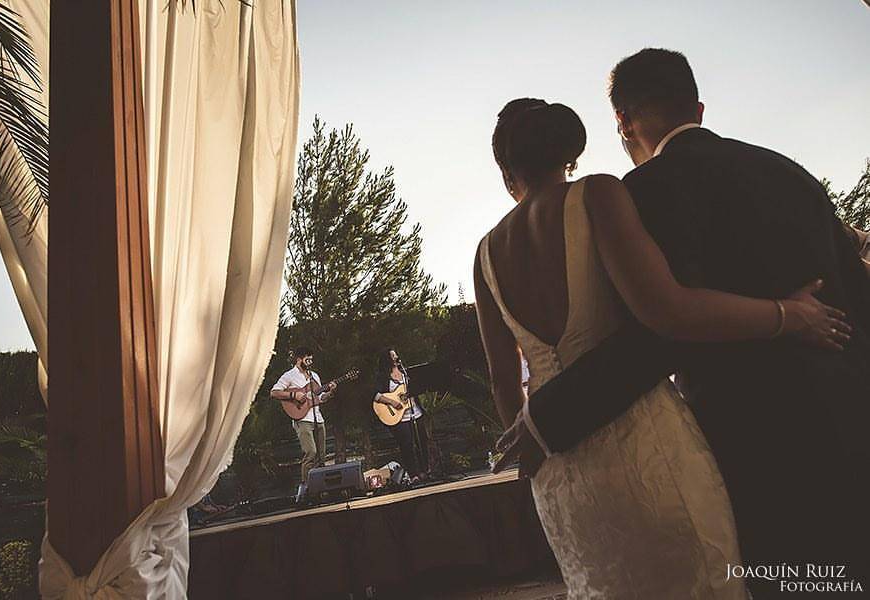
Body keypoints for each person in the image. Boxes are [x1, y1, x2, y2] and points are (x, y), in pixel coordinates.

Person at [496, 49, 870, 597]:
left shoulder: (642, 191)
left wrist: (548, 412)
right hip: (848, 425)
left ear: (622, 120)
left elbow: (660, 327)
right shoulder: (789, 172)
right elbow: (857, 295)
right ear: (697, 106)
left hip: (751, 444)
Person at [270, 347, 337, 483]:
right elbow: (274, 392)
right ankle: (306, 486)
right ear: (299, 359)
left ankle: (320, 485)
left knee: (321, 456)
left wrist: (330, 393)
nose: (310, 361)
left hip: (318, 418)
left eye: (311, 359)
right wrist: (294, 394)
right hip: (302, 419)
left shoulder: (315, 376)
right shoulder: (289, 375)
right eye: (307, 359)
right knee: (311, 452)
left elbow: (321, 398)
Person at [373, 348, 430, 481]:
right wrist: (392, 402)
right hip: (399, 417)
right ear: (387, 359)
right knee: (407, 445)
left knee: (422, 441)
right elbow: (375, 395)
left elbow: (415, 388)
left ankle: (425, 470)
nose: (396, 357)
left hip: (415, 412)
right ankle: (413, 474)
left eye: (396, 354)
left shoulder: (406, 373)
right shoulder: (383, 376)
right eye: (393, 355)